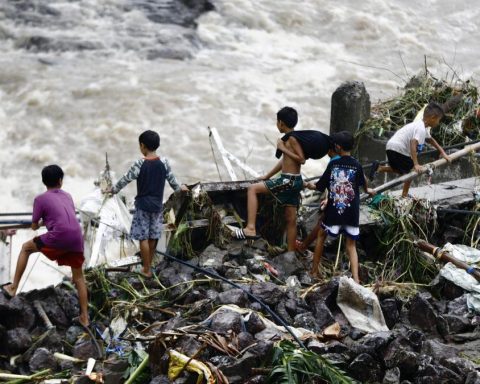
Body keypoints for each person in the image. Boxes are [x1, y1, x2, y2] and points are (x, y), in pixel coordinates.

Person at [233, 106, 332, 252]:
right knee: (291, 220)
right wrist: (267, 176)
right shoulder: (294, 138)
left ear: (281, 123)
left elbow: (301, 159)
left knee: (252, 189)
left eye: (277, 121)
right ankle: (290, 253)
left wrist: (282, 147)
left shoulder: (291, 139)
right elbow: (285, 161)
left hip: (288, 180)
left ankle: (250, 228)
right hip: (295, 181)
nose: (277, 124)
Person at [2, 165, 89, 326]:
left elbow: (34, 225)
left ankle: (13, 287)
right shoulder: (68, 196)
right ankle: (85, 317)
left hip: (59, 237)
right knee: (79, 278)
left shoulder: (40, 199)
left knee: (26, 248)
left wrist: (41, 223)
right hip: (77, 237)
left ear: (44, 181)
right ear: (60, 181)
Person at [110, 130, 188, 278]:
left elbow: (125, 179)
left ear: (142, 146)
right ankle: (149, 265)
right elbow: (174, 183)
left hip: (143, 206)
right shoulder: (164, 163)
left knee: (143, 238)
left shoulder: (140, 163)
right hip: (158, 206)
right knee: (152, 236)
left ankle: (146, 269)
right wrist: (181, 188)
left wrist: (113, 190)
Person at [306, 132, 375, 283]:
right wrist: (369, 191)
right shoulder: (357, 165)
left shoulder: (333, 164)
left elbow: (319, 186)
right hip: (351, 212)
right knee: (351, 245)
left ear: (337, 147)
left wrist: (309, 185)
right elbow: (364, 185)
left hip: (334, 211)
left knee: (321, 236)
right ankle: (356, 279)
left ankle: (314, 271)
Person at [369, 101, 450, 197]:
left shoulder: (420, 126)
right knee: (412, 171)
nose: (438, 123)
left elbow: (431, 140)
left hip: (391, 147)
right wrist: (416, 164)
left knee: (403, 171)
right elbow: (413, 143)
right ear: (432, 118)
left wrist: (443, 153)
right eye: (438, 120)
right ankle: (404, 195)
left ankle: (379, 168)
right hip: (399, 149)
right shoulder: (420, 128)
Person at [295, 146, 340, 255]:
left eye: (328, 149)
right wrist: (327, 198)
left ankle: (304, 248)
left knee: (321, 228)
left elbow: (322, 185)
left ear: (334, 149)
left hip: (339, 201)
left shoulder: (334, 161)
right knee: (350, 243)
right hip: (345, 200)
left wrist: (305, 184)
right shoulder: (348, 161)